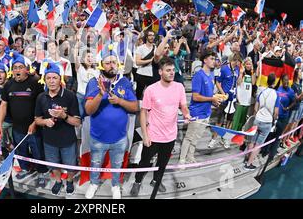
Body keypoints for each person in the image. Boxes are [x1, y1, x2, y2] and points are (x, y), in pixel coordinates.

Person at [130, 57, 191, 198]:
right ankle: (137, 181)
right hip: (153, 135)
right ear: (160, 72)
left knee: (162, 163)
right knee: (144, 162)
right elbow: (144, 112)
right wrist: (145, 135)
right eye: (168, 70)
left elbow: (183, 106)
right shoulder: (151, 90)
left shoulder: (179, 87)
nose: (171, 73)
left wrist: (187, 114)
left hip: (170, 136)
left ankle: (156, 180)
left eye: (173, 70)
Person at [84, 44, 138, 199]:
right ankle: (94, 183)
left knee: (117, 165)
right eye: (108, 62)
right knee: (95, 164)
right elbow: (88, 110)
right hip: (98, 137)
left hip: (120, 138)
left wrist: (120, 101)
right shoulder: (94, 82)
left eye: (114, 62)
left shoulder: (125, 82)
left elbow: (135, 107)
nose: (112, 65)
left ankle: (115, 185)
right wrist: (100, 95)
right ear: (102, 65)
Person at [0, 54, 49, 187]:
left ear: (27, 69)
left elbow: (42, 104)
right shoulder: (9, 85)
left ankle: (42, 172)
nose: (17, 70)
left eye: (20, 67)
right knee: (21, 151)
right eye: (15, 68)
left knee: (38, 151)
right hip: (17, 127)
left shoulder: (35, 83)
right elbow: (3, 105)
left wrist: (35, 123)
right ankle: (25, 168)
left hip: (34, 127)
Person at [34, 61, 81, 196]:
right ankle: (59, 181)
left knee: (70, 165)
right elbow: (37, 119)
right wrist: (45, 122)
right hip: (49, 141)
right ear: (45, 80)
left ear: (60, 79)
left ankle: (70, 181)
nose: (51, 81)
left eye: (55, 78)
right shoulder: (41, 97)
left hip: (67, 141)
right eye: (48, 78)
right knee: (53, 164)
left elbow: (77, 122)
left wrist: (64, 116)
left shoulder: (69, 96)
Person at [179, 50, 224, 164]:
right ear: (205, 60)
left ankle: (190, 156)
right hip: (197, 113)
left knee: (197, 137)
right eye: (211, 59)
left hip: (206, 112)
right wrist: (211, 99)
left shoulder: (212, 75)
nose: (214, 61)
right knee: (189, 137)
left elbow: (208, 95)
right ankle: (182, 159)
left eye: (214, 59)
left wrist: (213, 102)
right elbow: (195, 97)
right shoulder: (199, 75)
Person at [244, 73, 279, 171]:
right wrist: (274, 120)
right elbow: (276, 112)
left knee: (252, 141)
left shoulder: (262, 92)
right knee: (258, 145)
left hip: (257, 119)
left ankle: (246, 158)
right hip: (267, 122)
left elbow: (256, 108)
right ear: (275, 82)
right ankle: (248, 164)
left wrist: (257, 116)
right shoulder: (276, 94)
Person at [208, 53, 243, 149]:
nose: (238, 63)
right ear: (234, 60)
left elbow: (239, 83)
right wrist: (223, 94)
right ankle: (214, 139)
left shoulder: (237, 69)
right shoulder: (224, 69)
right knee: (220, 120)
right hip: (224, 99)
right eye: (237, 61)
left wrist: (241, 73)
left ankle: (225, 139)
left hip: (233, 99)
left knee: (229, 121)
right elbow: (217, 82)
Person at [232, 57, 257, 131]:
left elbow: (253, 82)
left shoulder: (252, 73)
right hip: (240, 98)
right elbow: (238, 82)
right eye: (247, 64)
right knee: (236, 118)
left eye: (250, 64)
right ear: (244, 65)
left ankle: (238, 133)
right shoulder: (241, 72)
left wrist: (252, 72)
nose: (248, 66)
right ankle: (232, 133)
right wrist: (241, 73)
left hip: (247, 99)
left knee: (243, 119)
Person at [276, 74, 296, 149]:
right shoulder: (279, 88)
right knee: (273, 133)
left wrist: (288, 108)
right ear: (282, 80)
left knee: (279, 133)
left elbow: (294, 102)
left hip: (283, 117)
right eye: (285, 80)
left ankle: (276, 148)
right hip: (276, 115)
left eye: (287, 80)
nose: (286, 81)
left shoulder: (291, 91)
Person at [134, 31, 155, 100]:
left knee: (151, 95)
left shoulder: (156, 48)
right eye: (150, 35)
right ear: (146, 37)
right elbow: (137, 62)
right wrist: (150, 60)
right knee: (139, 94)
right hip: (141, 74)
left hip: (152, 74)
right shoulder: (140, 48)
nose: (152, 37)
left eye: (153, 35)